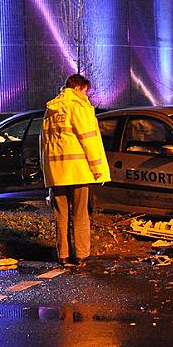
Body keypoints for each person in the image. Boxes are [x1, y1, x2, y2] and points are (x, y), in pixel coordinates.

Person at [40, 74, 111, 268]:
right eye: (85, 91)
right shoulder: (79, 108)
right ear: (79, 88)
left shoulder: (51, 110)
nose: (86, 95)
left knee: (60, 215)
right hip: (78, 171)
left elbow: (44, 145)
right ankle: (80, 255)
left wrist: (47, 172)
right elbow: (89, 139)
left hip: (57, 172)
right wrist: (98, 169)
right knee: (80, 213)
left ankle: (63, 255)